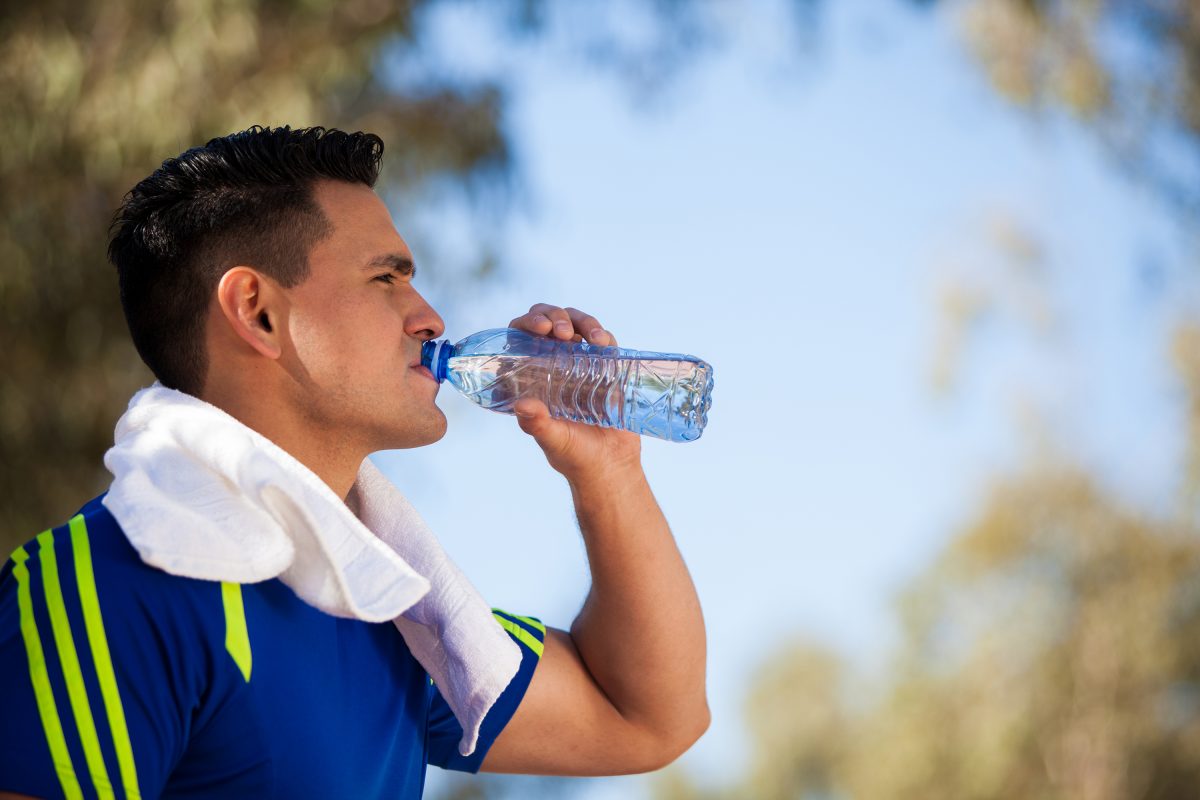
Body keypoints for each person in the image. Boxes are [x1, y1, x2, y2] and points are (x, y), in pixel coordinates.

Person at [0, 126, 709, 799]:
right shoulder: (106, 586)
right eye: (386, 279)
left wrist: (609, 472)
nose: (430, 316)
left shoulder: (393, 607)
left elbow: (648, 719)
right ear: (258, 312)